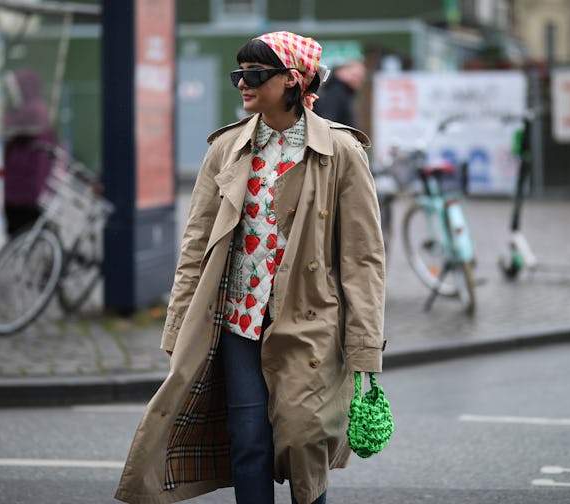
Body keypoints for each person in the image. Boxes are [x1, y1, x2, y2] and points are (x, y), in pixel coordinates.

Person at [115, 31, 386, 504]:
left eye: (256, 74)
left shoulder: (341, 152)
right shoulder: (226, 148)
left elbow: (363, 259)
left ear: (293, 80)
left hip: (311, 321)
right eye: (239, 73)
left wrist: (364, 348)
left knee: (304, 442)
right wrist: (179, 326)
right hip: (239, 320)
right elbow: (196, 244)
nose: (243, 82)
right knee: (249, 441)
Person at [1, 68, 57, 235]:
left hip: (26, 183)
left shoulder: (33, 109)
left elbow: (7, 122)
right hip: (30, 182)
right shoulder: (36, 106)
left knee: (22, 229)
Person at [312, 55, 366, 128]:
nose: (358, 80)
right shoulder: (336, 92)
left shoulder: (342, 92)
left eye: (361, 78)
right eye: (355, 75)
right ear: (340, 71)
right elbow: (328, 121)